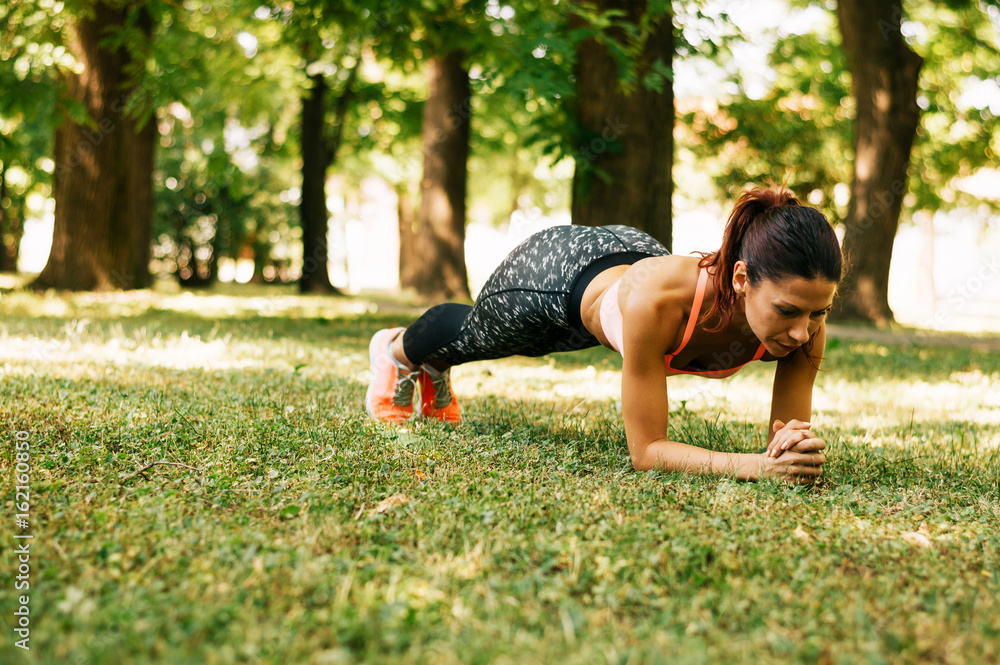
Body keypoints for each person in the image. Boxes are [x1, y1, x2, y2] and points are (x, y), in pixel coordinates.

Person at [365, 186, 841, 485]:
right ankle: (397, 351)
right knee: (484, 336)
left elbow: (786, 441)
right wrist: (752, 464)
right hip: (559, 271)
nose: (803, 331)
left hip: (630, 264)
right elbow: (647, 452)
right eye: (788, 311)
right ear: (741, 280)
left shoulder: (805, 325)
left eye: (819, 312)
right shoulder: (658, 304)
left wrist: (790, 453)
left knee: (549, 343)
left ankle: (431, 366)